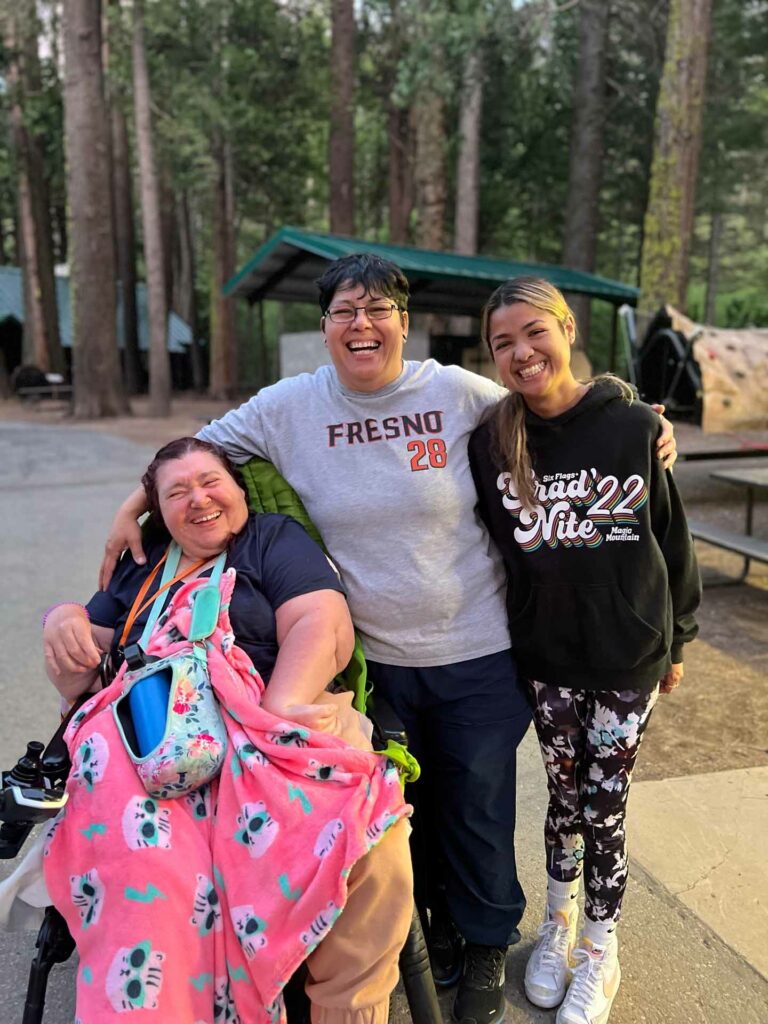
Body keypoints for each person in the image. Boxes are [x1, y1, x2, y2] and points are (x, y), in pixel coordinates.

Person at [100, 255, 677, 1024]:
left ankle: (485, 941)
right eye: (344, 312)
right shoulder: (288, 407)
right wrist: (133, 504)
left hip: (477, 651)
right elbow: (194, 454)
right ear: (325, 327)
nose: (361, 325)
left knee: (477, 804)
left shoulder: (456, 393)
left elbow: (551, 400)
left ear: (404, 323)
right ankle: (430, 933)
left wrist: (636, 413)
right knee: (408, 811)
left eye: (378, 310)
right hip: (378, 660)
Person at [41, 437, 413, 1024]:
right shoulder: (144, 563)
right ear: (158, 511)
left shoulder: (271, 539)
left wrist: (278, 708)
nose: (198, 499)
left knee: (369, 845)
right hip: (159, 740)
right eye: (177, 492)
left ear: (239, 489)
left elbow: (321, 620)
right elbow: (86, 663)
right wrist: (63, 620)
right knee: (148, 869)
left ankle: (344, 1009)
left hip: (274, 711)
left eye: (210, 481)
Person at [467, 278, 700, 1024]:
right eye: (502, 343)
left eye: (534, 331)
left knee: (605, 806)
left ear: (567, 328)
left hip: (628, 655)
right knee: (563, 799)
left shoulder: (633, 425)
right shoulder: (491, 442)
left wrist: (679, 638)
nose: (521, 352)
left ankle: (602, 944)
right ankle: (559, 924)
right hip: (547, 658)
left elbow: (671, 538)